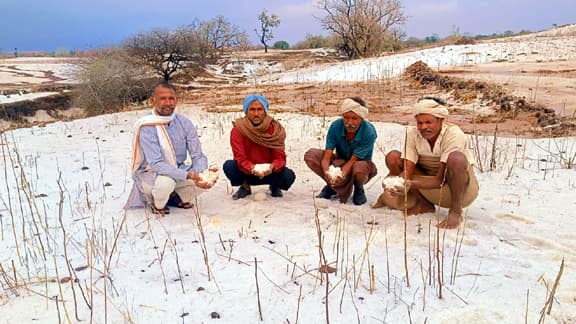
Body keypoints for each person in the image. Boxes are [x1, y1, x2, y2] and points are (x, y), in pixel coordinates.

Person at [381, 97, 479, 229]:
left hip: (457, 186)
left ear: (441, 120)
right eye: (419, 123)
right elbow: (407, 171)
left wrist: (410, 184)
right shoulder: (413, 135)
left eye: (428, 122)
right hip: (427, 181)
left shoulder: (453, 134)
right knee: (393, 157)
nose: (423, 127)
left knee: (457, 158)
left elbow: (440, 180)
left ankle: (456, 212)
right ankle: (425, 205)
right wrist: (398, 183)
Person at [125, 80, 215, 214]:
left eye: (171, 98)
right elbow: (156, 164)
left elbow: (198, 155)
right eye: (162, 99)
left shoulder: (184, 122)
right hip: (152, 175)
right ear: (152, 101)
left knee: (209, 177)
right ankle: (158, 205)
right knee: (166, 183)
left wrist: (200, 175)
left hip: (179, 170)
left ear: (176, 100)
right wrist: (188, 175)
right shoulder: (147, 125)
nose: (168, 103)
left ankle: (175, 198)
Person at [304, 97, 378, 205]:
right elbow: (327, 155)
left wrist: (341, 175)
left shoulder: (369, 132)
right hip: (340, 162)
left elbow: (353, 160)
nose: (349, 122)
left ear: (361, 118)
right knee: (310, 155)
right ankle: (332, 186)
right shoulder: (336, 126)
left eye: (354, 118)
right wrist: (328, 174)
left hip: (360, 165)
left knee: (359, 168)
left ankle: (359, 188)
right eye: (346, 118)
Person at [223, 94, 295, 199]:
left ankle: (274, 187)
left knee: (288, 176)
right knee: (229, 166)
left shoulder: (275, 129)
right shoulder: (238, 130)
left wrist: (272, 167)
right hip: (248, 172)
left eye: (259, 109)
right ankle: (245, 186)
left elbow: (280, 157)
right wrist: (252, 168)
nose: (256, 113)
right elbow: (240, 157)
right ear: (246, 111)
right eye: (252, 109)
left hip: (269, 172)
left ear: (265, 111)